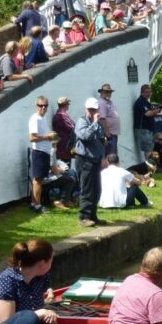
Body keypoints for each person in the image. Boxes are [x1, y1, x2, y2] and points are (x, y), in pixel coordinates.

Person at [74, 97, 107, 227]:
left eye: (95, 109)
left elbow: (99, 137)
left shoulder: (97, 122)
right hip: (85, 160)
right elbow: (85, 136)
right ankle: (83, 217)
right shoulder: (82, 121)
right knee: (87, 189)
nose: (93, 112)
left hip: (95, 160)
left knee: (96, 190)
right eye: (90, 110)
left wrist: (103, 139)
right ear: (86, 109)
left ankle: (92, 215)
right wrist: (94, 123)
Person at [28, 96, 56, 214]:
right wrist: (47, 137)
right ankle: (36, 204)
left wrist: (50, 135)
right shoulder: (35, 119)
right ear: (36, 106)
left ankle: (35, 203)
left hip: (44, 151)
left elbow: (42, 134)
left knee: (39, 180)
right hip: (39, 152)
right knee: (38, 180)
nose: (43, 108)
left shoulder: (42, 118)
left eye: (45, 106)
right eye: (40, 105)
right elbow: (32, 138)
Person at [133, 84, 161, 165]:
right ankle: (149, 169)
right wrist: (156, 110)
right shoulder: (140, 102)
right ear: (142, 92)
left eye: (150, 92)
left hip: (147, 130)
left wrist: (155, 110)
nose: (149, 94)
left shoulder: (146, 102)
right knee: (148, 151)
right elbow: (148, 114)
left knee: (149, 150)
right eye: (146, 92)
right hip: (143, 130)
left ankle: (148, 168)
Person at [97, 83, 120, 155]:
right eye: (106, 92)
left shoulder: (109, 102)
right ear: (102, 92)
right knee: (110, 155)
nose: (109, 93)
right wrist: (107, 132)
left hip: (113, 133)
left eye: (110, 92)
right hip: (109, 134)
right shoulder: (102, 103)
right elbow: (102, 118)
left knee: (113, 154)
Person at [52, 96, 75, 163]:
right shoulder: (62, 116)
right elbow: (72, 128)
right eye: (68, 104)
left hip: (62, 147)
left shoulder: (60, 115)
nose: (68, 105)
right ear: (65, 105)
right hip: (64, 147)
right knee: (65, 168)